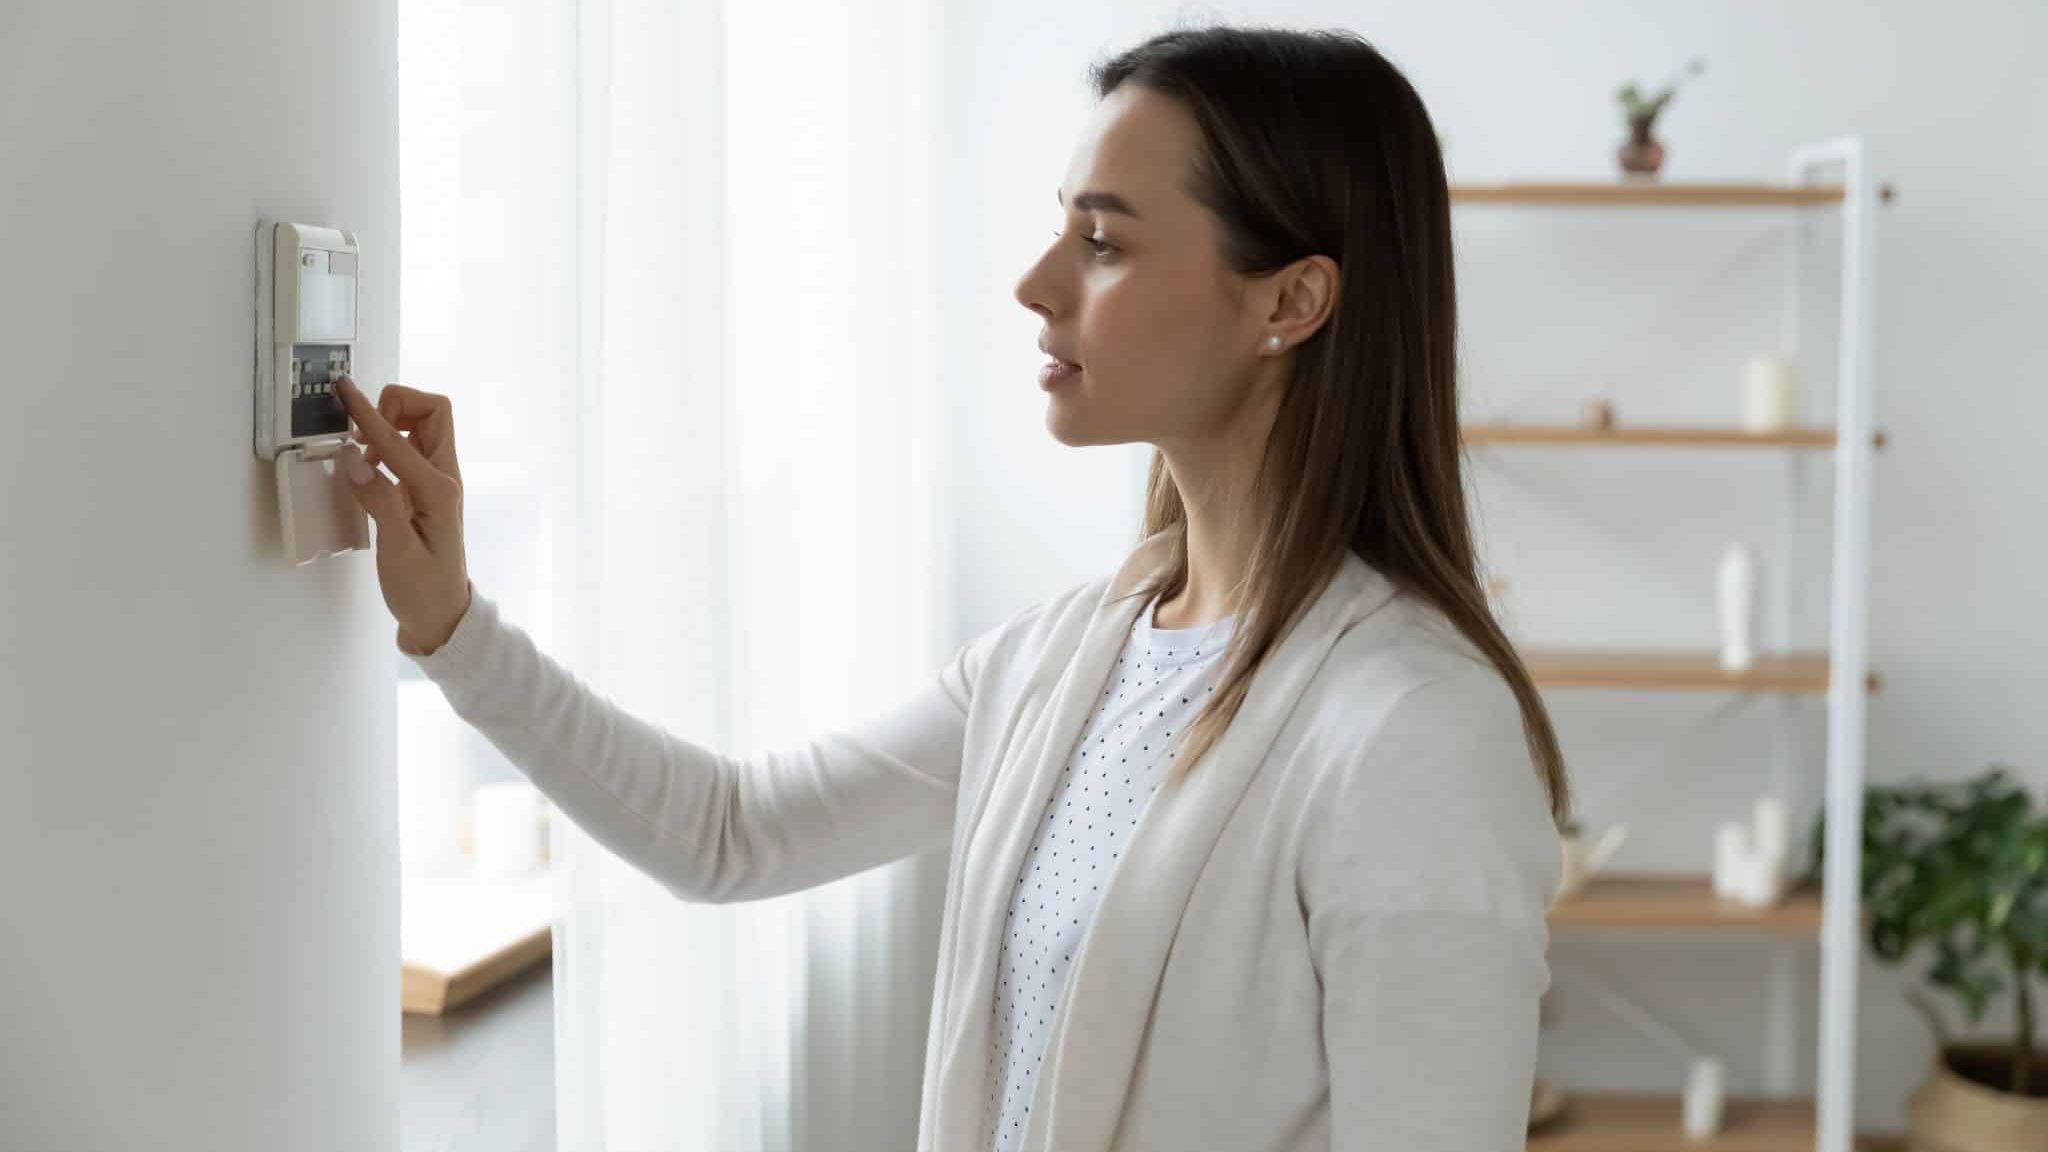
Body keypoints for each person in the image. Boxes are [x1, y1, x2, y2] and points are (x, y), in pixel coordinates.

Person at [337, 23, 1571, 1152]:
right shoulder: (1056, 663)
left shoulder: (1413, 731)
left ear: (1290, 303)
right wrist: (450, 624)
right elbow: (729, 834)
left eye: (1102, 241)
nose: (1037, 284)